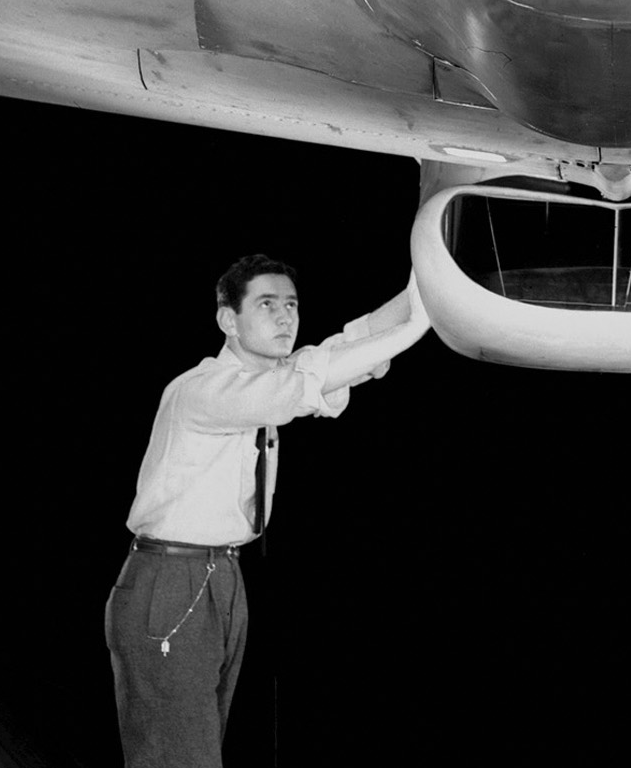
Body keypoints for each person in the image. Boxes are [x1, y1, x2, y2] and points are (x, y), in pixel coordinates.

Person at [107, 252, 431, 766]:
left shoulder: (263, 380)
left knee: (194, 751)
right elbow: (305, 384)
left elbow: (344, 347)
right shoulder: (203, 390)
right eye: (267, 304)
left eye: (292, 305)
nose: (285, 317)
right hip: (169, 580)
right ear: (227, 320)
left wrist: (430, 289)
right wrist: (419, 324)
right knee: (180, 759)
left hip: (221, 576)